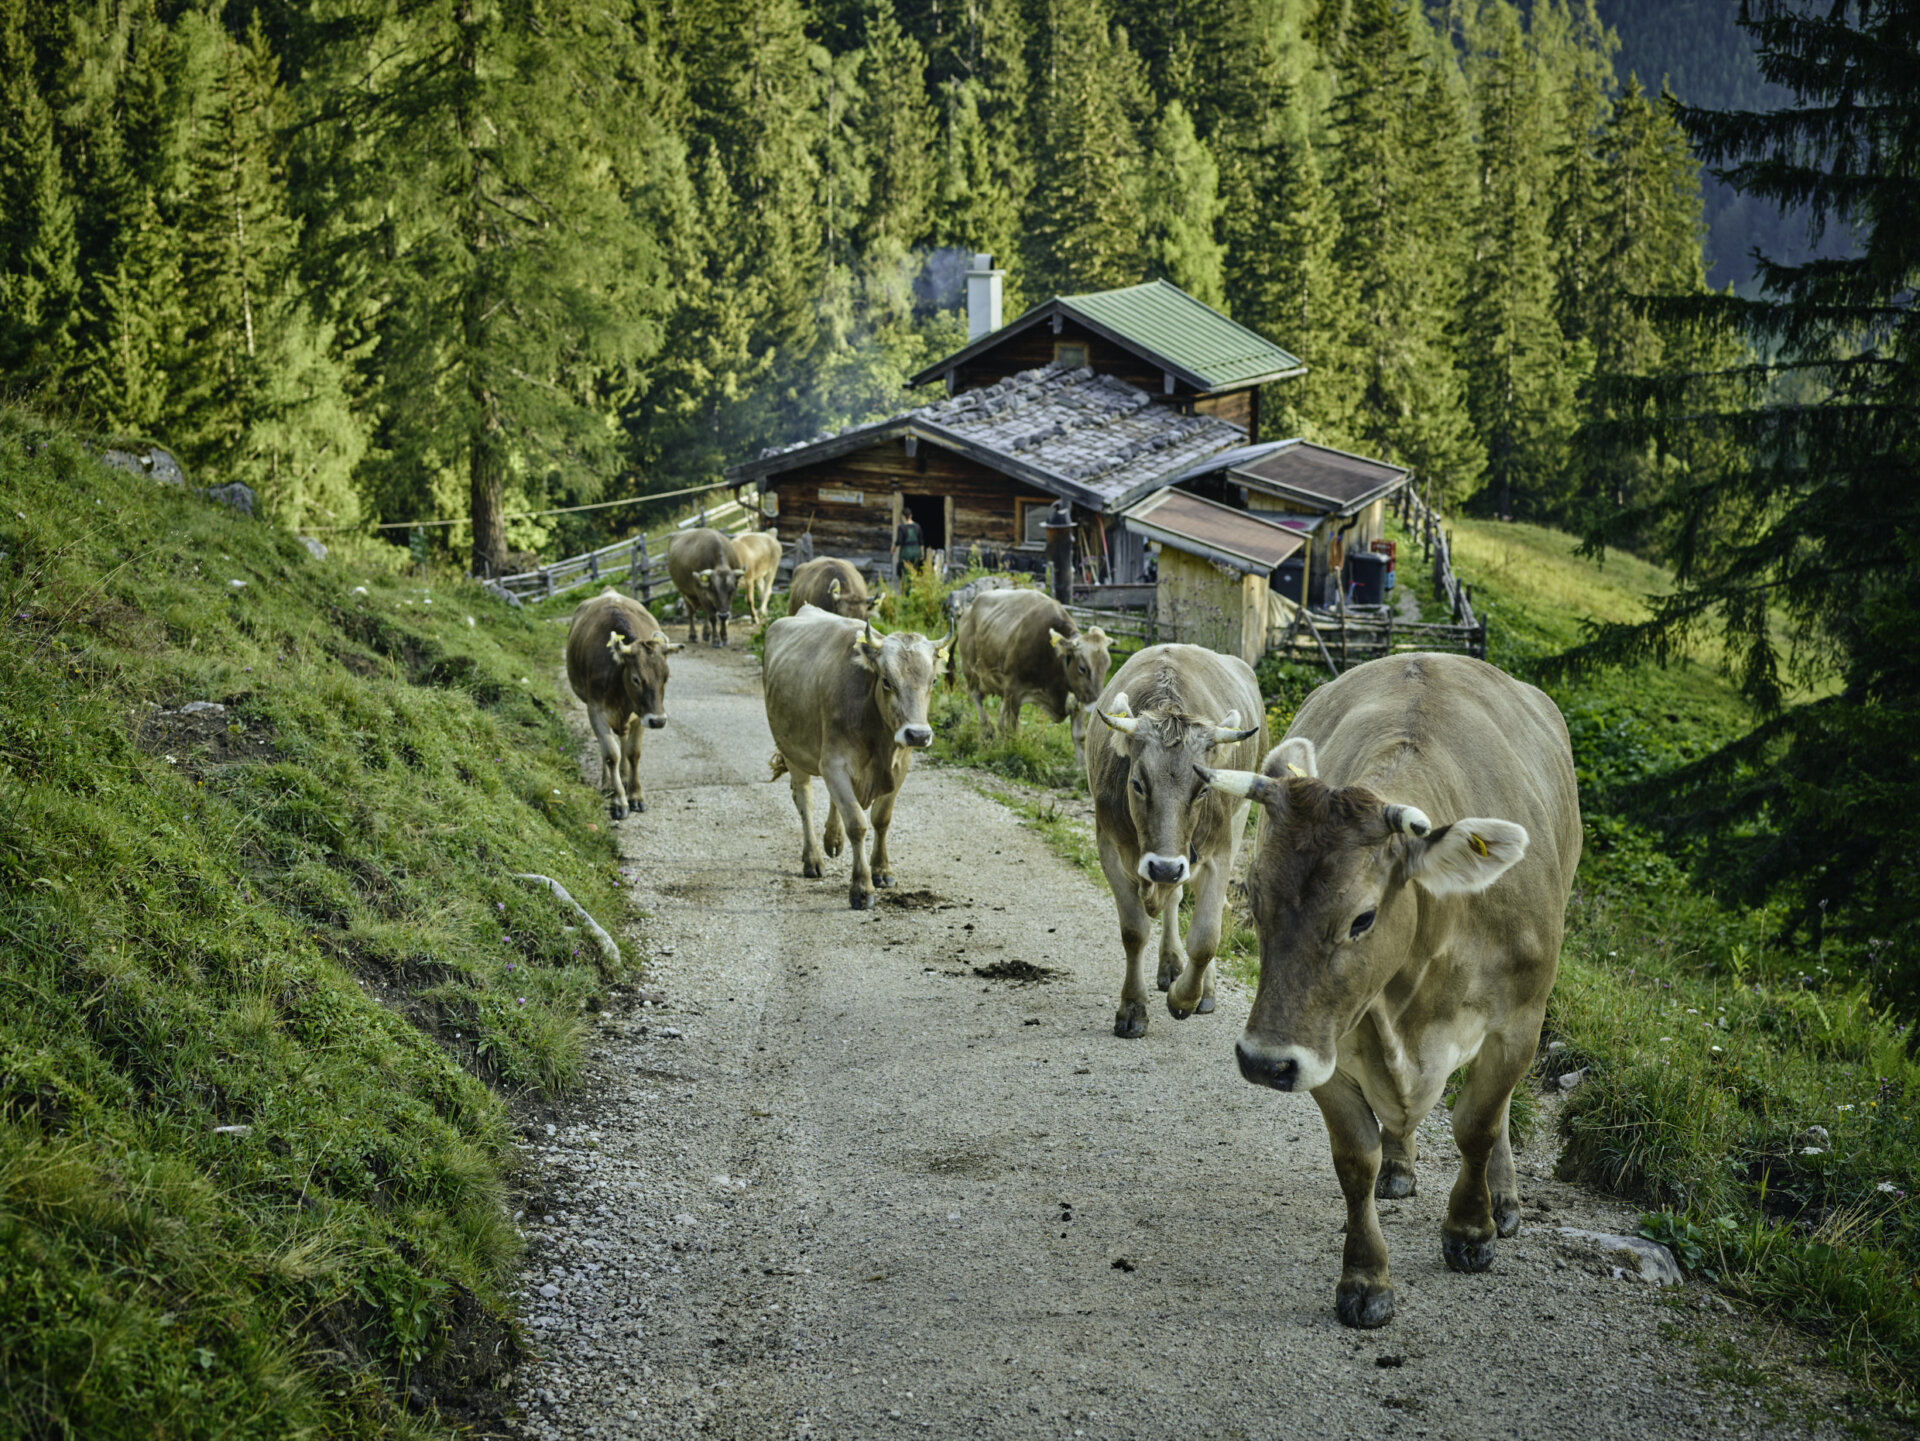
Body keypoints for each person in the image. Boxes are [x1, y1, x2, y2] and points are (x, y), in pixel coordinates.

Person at [892, 506, 924, 590]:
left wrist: (893, 548)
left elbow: (898, 541)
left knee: (904, 572)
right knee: (914, 571)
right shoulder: (917, 526)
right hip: (916, 552)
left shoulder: (901, 527)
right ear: (910, 515)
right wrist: (922, 554)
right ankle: (914, 590)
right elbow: (921, 542)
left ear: (903, 516)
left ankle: (906, 592)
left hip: (906, 553)